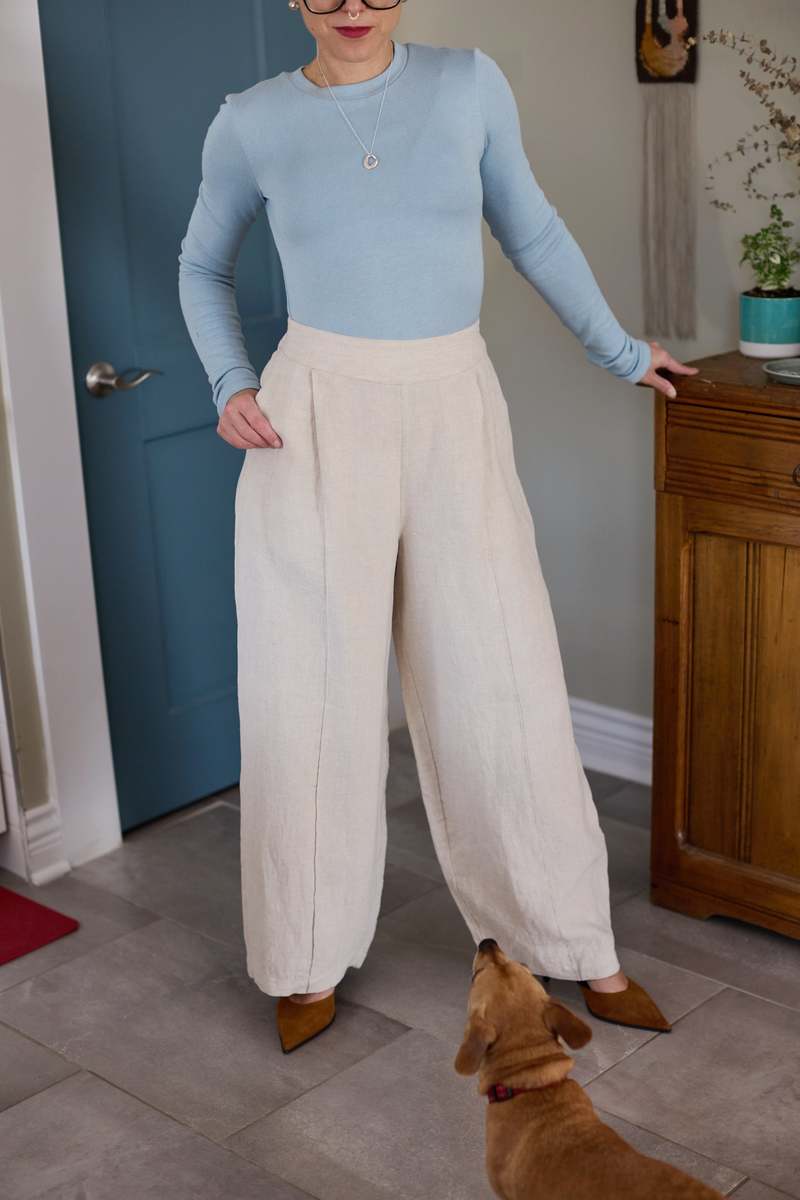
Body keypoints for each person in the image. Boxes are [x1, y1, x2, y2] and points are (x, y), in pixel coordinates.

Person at [178, 0, 698, 1054]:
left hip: (455, 398)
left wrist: (618, 349)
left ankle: (572, 938)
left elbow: (531, 229)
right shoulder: (250, 120)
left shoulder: (468, 84)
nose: (351, 9)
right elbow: (201, 264)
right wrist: (230, 380)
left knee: (502, 675)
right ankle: (302, 957)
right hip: (313, 414)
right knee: (306, 692)